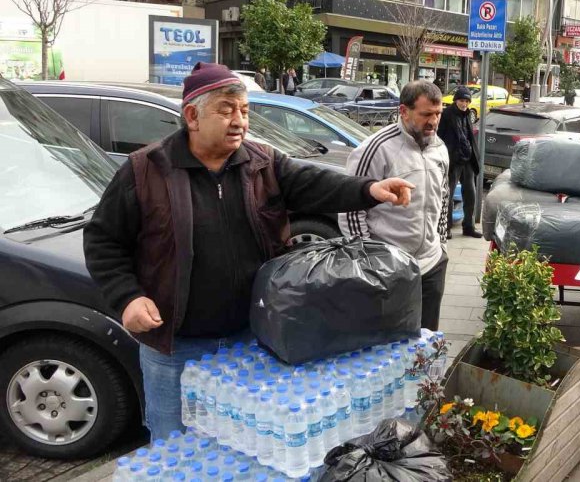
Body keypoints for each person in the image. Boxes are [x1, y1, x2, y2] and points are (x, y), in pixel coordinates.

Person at [83, 63, 415, 440]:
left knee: (242, 443)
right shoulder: (145, 171)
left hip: (251, 341)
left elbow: (314, 183)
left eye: (243, 110)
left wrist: (369, 190)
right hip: (175, 349)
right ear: (192, 115)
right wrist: (128, 298)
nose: (239, 120)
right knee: (173, 443)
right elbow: (102, 240)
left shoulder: (262, 163)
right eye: (226, 110)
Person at [340, 80, 451, 330]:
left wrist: (441, 243)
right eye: (425, 115)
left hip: (432, 264)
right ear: (404, 111)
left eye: (438, 114)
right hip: (389, 268)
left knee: (427, 343)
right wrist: (370, 262)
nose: (433, 122)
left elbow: (442, 198)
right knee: (390, 345)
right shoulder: (376, 148)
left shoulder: (440, 148)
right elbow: (350, 208)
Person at [438, 86, 483, 239]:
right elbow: (440, 137)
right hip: (453, 160)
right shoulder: (446, 114)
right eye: (461, 100)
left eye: (466, 101)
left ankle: (468, 227)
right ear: (455, 100)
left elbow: (469, 135)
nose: (464, 104)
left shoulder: (467, 114)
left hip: (467, 159)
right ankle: (447, 227)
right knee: (448, 195)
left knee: (470, 193)